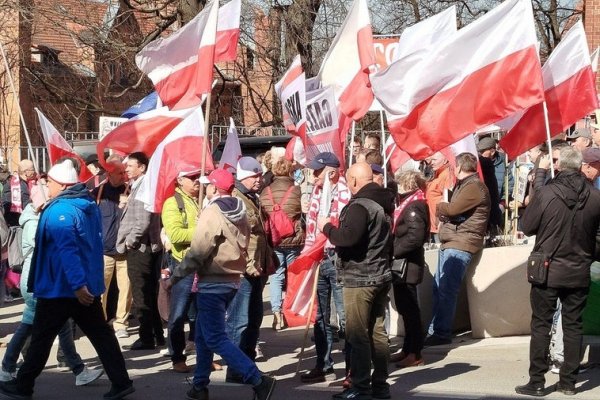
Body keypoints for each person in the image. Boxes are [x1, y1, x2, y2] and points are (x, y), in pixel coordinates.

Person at [0, 159, 134, 400]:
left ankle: (23, 386)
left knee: (41, 339)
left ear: (61, 185)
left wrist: (77, 285)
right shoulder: (84, 204)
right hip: (78, 287)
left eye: (49, 181)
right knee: (101, 336)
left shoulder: (62, 210)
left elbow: (68, 251)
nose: (46, 185)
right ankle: (121, 381)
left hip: (61, 288)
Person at [172, 169, 276, 400]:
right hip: (231, 279)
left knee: (215, 337)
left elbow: (198, 251)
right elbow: (245, 244)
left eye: (207, 185)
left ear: (213, 187)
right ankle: (199, 385)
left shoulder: (213, 212)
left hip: (212, 281)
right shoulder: (241, 209)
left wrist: (175, 277)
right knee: (202, 335)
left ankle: (257, 379)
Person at [515, 146, 600, 397]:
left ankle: (537, 381)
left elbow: (527, 226)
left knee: (541, 325)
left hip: (547, 269)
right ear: (580, 166)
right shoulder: (595, 197)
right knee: (573, 326)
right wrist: (586, 250)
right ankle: (568, 383)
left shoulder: (547, 193)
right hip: (578, 268)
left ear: (561, 166)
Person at [0, 182, 104, 387]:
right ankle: (14, 370)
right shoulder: (36, 220)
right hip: (41, 281)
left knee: (38, 328)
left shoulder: (48, 215)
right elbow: (58, 249)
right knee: (41, 330)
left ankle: (16, 370)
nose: (50, 195)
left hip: (48, 281)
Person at [319, 162, 394, 400]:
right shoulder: (383, 202)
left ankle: (361, 387)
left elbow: (348, 238)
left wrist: (327, 228)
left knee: (358, 334)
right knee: (377, 332)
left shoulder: (360, 205)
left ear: (353, 181)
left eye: (348, 180)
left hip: (360, 278)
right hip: (379, 273)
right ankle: (380, 385)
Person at [425, 153, 490, 346]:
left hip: (461, 243)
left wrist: (441, 206)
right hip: (452, 241)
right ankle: (434, 330)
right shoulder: (466, 185)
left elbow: (452, 210)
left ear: (459, 168)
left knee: (447, 289)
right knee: (439, 288)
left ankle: (441, 332)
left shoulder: (474, 187)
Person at [300, 152, 351, 385]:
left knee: (345, 317)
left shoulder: (344, 192)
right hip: (319, 257)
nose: (313, 176)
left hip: (337, 257)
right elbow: (312, 228)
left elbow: (343, 227)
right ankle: (323, 363)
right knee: (320, 315)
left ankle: (353, 370)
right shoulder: (318, 194)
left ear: (331, 171)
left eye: (318, 171)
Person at [227, 157, 274, 380]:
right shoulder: (237, 200)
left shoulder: (250, 197)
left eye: (259, 175)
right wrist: (247, 264)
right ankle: (236, 371)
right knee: (239, 322)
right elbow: (235, 238)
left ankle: (248, 366)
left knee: (254, 319)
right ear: (244, 176)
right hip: (244, 270)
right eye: (255, 176)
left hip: (257, 268)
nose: (259, 179)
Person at [116, 152, 164, 350]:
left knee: (142, 293)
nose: (126, 169)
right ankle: (157, 334)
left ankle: (146, 337)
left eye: (130, 166)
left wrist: (130, 241)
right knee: (148, 292)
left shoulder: (144, 186)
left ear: (142, 167)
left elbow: (143, 221)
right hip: (144, 246)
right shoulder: (140, 185)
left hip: (141, 247)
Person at [161, 169, 201, 373]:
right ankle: (177, 357)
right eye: (192, 177)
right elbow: (175, 234)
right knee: (178, 315)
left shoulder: (200, 199)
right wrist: (204, 230)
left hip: (202, 264)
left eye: (198, 177)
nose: (197, 181)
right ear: (180, 180)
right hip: (183, 265)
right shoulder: (172, 203)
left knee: (200, 315)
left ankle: (203, 357)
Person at [390, 170, 430, 368]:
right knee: (406, 309)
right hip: (404, 264)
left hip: (407, 264)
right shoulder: (411, 203)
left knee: (410, 310)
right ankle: (408, 349)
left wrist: (393, 251)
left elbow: (415, 236)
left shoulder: (414, 206)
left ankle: (415, 352)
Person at [260, 158, 304, 331]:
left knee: (277, 277)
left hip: (274, 239)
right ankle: (290, 311)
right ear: (290, 172)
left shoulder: (266, 192)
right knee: (293, 276)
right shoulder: (296, 190)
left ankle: (277, 314)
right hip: (293, 239)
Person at [93, 155, 131, 339]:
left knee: (126, 289)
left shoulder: (130, 191)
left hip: (124, 250)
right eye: (120, 172)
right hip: (104, 250)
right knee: (102, 289)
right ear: (109, 173)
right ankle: (100, 322)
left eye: (125, 171)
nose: (124, 175)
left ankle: (121, 322)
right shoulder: (97, 192)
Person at [477, 136, 513, 209]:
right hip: (479, 208)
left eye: (482, 151)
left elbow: (509, 185)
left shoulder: (504, 164)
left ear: (492, 151)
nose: (480, 154)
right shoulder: (477, 164)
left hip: (496, 207)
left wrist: (502, 203)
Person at [424, 152, 452, 242]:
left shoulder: (448, 174)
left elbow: (447, 199)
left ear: (445, 160)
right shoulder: (438, 174)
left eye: (434, 160)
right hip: (433, 225)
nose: (431, 162)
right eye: (431, 160)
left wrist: (441, 222)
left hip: (440, 225)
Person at [2, 159, 36, 227]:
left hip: (27, 219)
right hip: (15, 223)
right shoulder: (11, 185)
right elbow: (7, 205)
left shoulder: (32, 183)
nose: (35, 172)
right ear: (26, 172)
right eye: (33, 169)